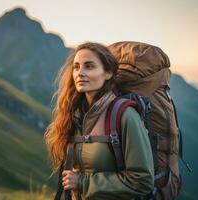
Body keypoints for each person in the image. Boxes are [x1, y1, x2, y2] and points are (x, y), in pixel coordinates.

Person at [45, 42, 154, 200]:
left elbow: (142, 180)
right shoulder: (75, 116)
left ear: (108, 73)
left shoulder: (125, 115)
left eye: (89, 66)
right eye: (76, 67)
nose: (80, 73)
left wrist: (82, 182)